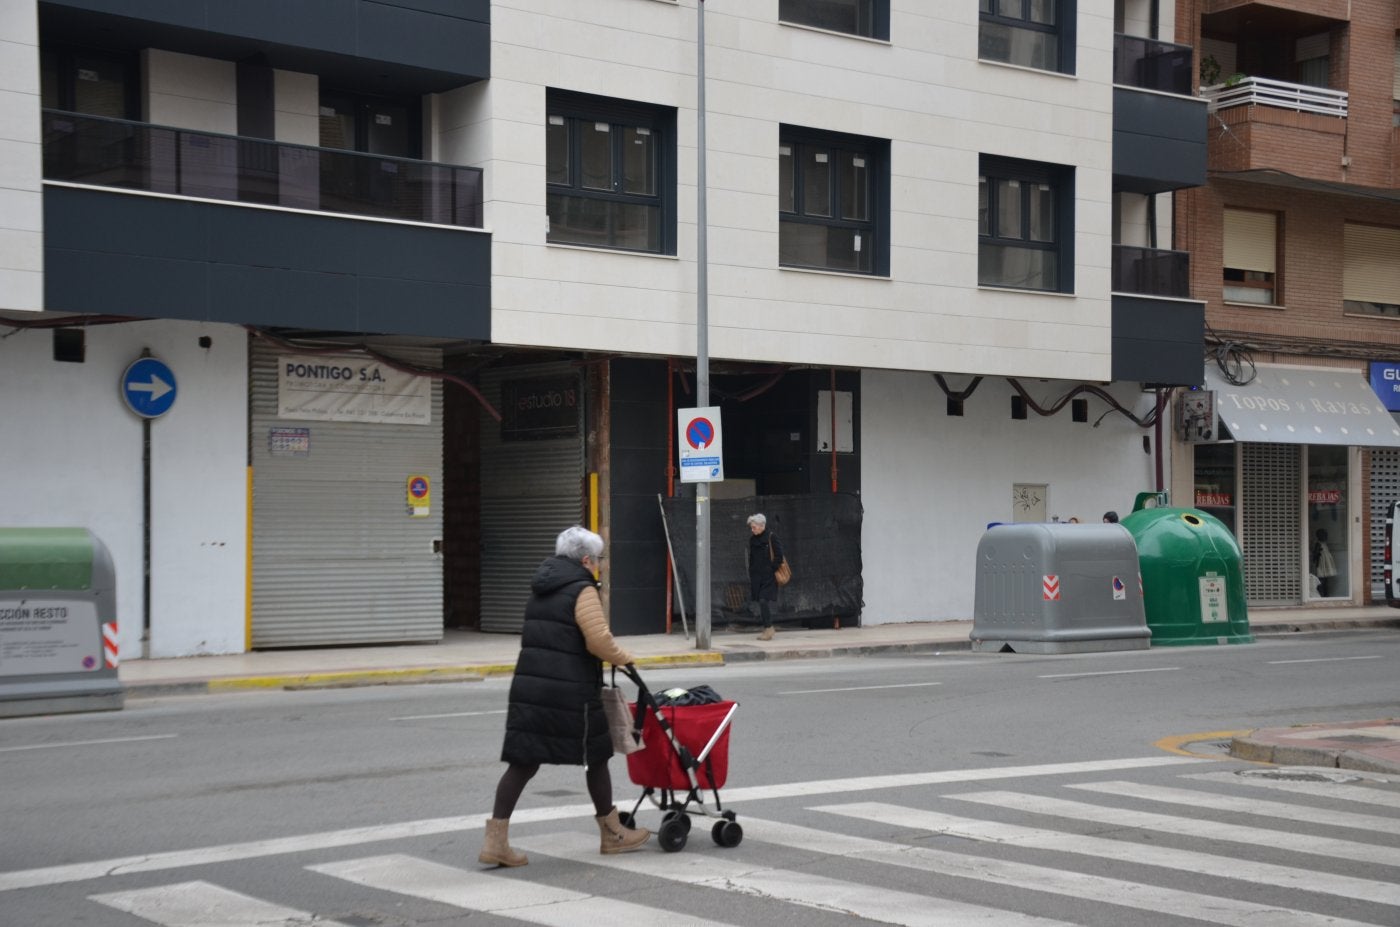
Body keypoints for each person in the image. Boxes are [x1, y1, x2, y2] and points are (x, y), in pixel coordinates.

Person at [478, 526, 650, 867]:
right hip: (569, 688)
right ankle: (612, 834)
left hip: (532, 686)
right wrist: (624, 657)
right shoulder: (581, 588)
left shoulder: (543, 585)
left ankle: (495, 840)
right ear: (586, 560)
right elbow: (597, 640)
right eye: (598, 559)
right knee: (597, 754)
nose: (600, 565)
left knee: (524, 760)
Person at [747, 513, 783, 641]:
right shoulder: (752, 540)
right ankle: (767, 627)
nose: (752, 529)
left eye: (754, 527)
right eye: (751, 527)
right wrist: (751, 571)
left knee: (763, 600)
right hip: (757, 576)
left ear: (762, 525)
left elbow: (779, 556)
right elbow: (752, 558)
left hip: (768, 576)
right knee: (760, 601)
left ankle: (769, 628)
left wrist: (771, 569)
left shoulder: (771, 537)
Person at [1311, 528, 1337, 597]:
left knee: (1325, 580)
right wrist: (1316, 558)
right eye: (1324, 535)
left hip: (1326, 564)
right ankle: (1322, 594)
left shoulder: (1324, 544)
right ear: (1319, 536)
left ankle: (1325, 594)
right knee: (1321, 580)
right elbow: (1315, 555)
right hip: (1321, 565)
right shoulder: (1318, 544)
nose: (1326, 537)